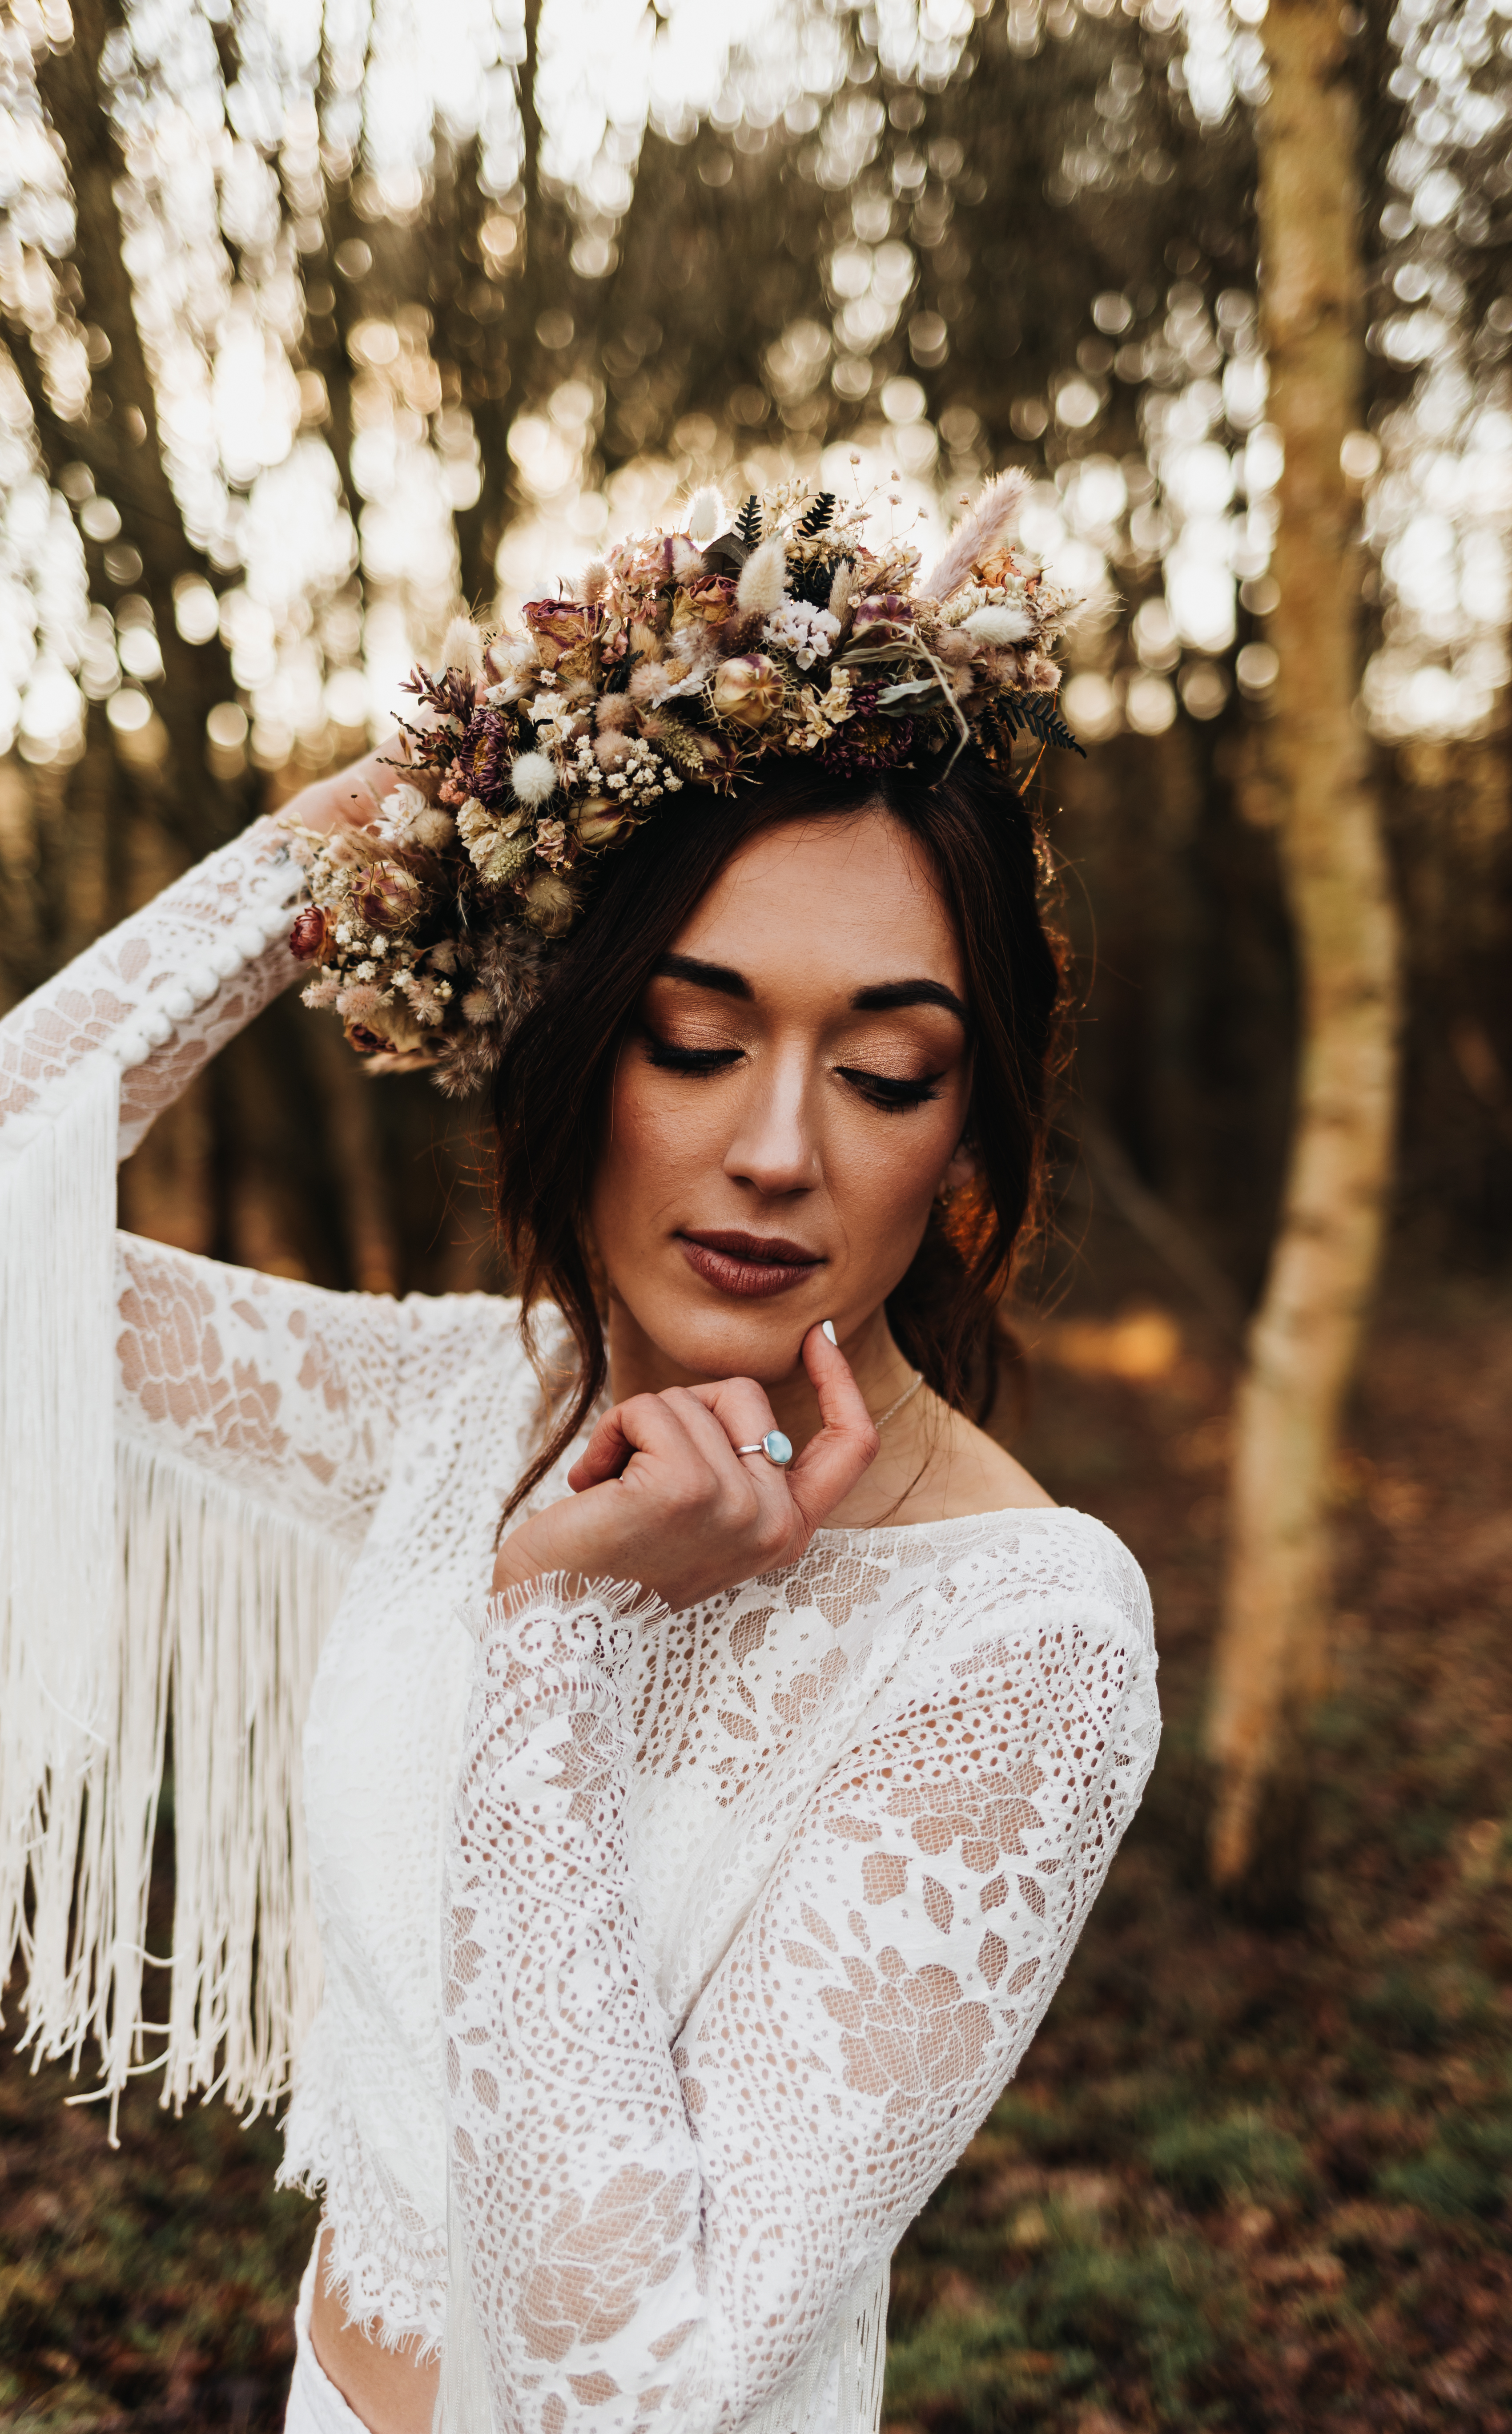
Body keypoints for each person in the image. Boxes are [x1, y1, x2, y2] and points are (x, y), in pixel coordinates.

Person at [0, 477, 1158, 2434]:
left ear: (965, 1138)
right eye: (695, 1039)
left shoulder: (1025, 1638)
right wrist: (360, 831)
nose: (781, 1147)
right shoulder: (460, 1408)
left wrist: (563, 1627)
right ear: (567, 1050)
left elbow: (623, 2394)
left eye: (885, 1071)